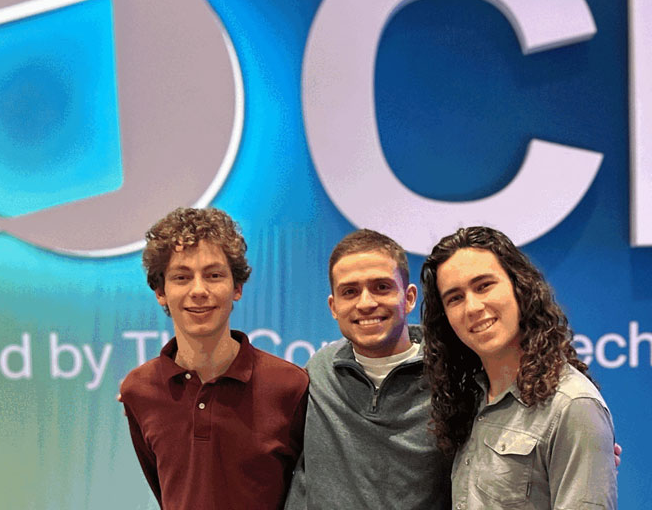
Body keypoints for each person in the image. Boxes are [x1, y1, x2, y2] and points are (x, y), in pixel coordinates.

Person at [119, 207, 307, 510]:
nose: (199, 290)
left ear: (237, 288)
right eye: (181, 277)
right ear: (160, 292)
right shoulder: (138, 391)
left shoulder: (290, 386)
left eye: (214, 275)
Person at [421, 226, 617, 510]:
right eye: (455, 298)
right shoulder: (469, 403)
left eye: (484, 285)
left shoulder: (572, 406)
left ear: (520, 287)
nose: (472, 307)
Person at [285, 229, 450, 509]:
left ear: (409, 298)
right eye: (350, 292)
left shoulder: (451, 376)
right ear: (334, 306)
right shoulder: (318, 371)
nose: (366, 303)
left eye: (381, 287)